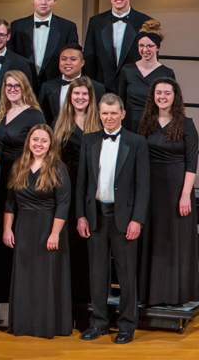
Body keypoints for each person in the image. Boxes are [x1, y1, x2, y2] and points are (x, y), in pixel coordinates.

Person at [76, 93, 149, 344]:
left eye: (113, 113)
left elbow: (143, 186)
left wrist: (137, 219)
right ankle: (99, 323)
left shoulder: (137, 142)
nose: (109, 117)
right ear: (99, 114)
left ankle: (127, 325)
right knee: (97, 273)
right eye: (104, 113)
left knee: (126, 273)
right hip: (95, 215)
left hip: (124, 218)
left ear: (122, 114)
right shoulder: (89, 140)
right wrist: (81, 216)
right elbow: (82, 183)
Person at [3, 124, 72, 338]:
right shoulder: (18, 166)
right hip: (24, 227)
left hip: (48, 227)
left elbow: (63, 203)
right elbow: (10, 202)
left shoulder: (58, 168)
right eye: (35, 140)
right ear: (28, 142)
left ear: (50, 144)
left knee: (46, 278)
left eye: (43, 140)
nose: (39, 144)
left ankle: (46, 325)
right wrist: (7, 229)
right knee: (25, 277)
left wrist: (55, 233)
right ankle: (25, 325)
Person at [136, 78, 199, 306]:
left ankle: (175, 295)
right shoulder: (146, 122)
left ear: (175, 96)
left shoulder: (186, 123)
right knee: (152, 240)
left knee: (174, 241)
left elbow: (192, 162)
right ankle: (150, 295)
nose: (162, 96)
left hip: (176, 191)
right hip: (150, 189)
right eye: (158, 92)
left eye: (167, 93)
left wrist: (185, 195)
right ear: (153, 95)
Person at [0, 71, 45, 302]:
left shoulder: (34, 115)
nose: (12, 89)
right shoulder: (3, 112)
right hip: (0, 177)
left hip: (21, 177)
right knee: (1, 231)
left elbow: (41, 147)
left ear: (25, 88)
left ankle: (22, 293)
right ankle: (3, 292)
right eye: (8, 86)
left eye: (16, 86)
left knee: (17, 232)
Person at [52, 76, 101, 306]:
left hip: (93, 192)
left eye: (84, 94)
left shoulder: (99, 123)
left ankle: (88, 301)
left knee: (90, 246)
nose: (80, 98)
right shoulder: (59, 123)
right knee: (69, 244)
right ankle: (67, 301)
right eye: (76, 94)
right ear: (69, 97)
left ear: (90, 98)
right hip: (67, 190)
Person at [83, 0, 152, 93]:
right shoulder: (95, 22)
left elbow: (150, 61)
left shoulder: (146, 23)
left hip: (133, 90)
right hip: (102, 89)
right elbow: (89, 60)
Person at [8, 0, 79, 92]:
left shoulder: (68, 28)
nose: (43, 2)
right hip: (22, 89)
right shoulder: (16, 26)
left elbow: (73, 62)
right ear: (32, 0)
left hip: (55, 90)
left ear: (55, 1)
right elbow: (11, 59)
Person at [118, 20, 175, 132]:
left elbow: (170, 106)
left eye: (150, 46)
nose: (145, 50)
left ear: (157, 47)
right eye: (141, 46)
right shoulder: (127, 70)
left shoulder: (167, 73)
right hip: (129, 128)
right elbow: (120, 102)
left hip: (154, 128)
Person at [38, 43, 106, 124]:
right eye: (64, 59)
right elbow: (40, 116)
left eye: (73, 59)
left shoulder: (97, 88)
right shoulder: (47, 87)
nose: (68, 62)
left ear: (82, 63)